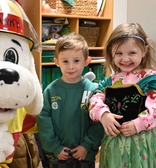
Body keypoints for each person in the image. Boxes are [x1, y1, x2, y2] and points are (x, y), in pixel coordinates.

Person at [89, 22, 156, 168]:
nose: (125, 59)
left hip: (141, 140)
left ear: (144, 51)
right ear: (111, 53)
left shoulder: (150, 79)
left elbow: (155, 108)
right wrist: (103, 114)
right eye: (119, 53)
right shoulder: (110, 81)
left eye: (132, 53)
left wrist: (138, 124)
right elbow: (95, 98)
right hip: (114, 142)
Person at [37, 32, 104, 168]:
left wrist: (86, 145)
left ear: (86, 61)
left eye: (76, 61)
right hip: (58, 154)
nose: (71, 66)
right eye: (65, 61)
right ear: (56, 62)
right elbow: (43, 121)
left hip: (85, 153)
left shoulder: (92, 90)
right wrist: (55, 147)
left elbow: (98, 122)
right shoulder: (50, 90)